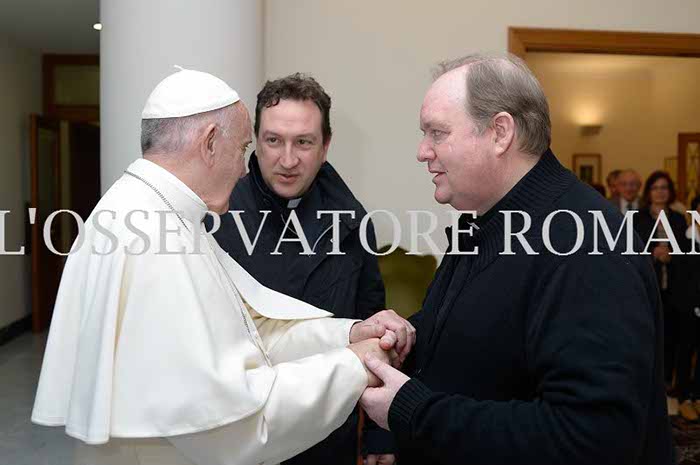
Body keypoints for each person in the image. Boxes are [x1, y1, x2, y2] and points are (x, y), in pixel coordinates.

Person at [31, 67, 415, 465]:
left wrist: (347, 335)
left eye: (303, 142)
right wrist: (355, 363)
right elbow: (234, 427)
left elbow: (250, 329)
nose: (244, 167)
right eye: (245, 147)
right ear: (211, 142)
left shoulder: (157, 215)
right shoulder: (153, 238)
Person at [359, 54, 674, 464]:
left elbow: (592, 438)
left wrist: (412, 413)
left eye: (437, 133)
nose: (423, 151)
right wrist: (409, 335)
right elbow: (484, 338)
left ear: (500, 132)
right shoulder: (488, 223)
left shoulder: (585, 243)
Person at [212, 73, 395, 465]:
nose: (288, 160)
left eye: (304, 142)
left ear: (325, 146)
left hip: (328, 432)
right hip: (246, 430)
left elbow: (371, 324)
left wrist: (379, 433)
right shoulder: (216, 215)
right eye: (273, 140)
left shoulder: (353, 221)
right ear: (255, 140)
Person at [635, 171, 690, 418]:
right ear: (649, 191)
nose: (660, 192)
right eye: (655, 187)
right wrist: (652, 255)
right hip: (647, 288)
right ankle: (647, 387)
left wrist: (672, 256)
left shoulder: (679, 219)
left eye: (664, 187)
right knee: (648, 337)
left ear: (670, 191)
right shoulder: (638, 218)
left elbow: (688, 254)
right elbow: (629, 250)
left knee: (671, 338)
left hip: (675, 289)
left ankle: (668, 387)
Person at [674, 195, 700, 420]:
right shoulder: (684, 241)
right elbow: (681, 279)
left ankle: (698, 395)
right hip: (688, 308)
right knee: (686, 351)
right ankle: (683, 398)